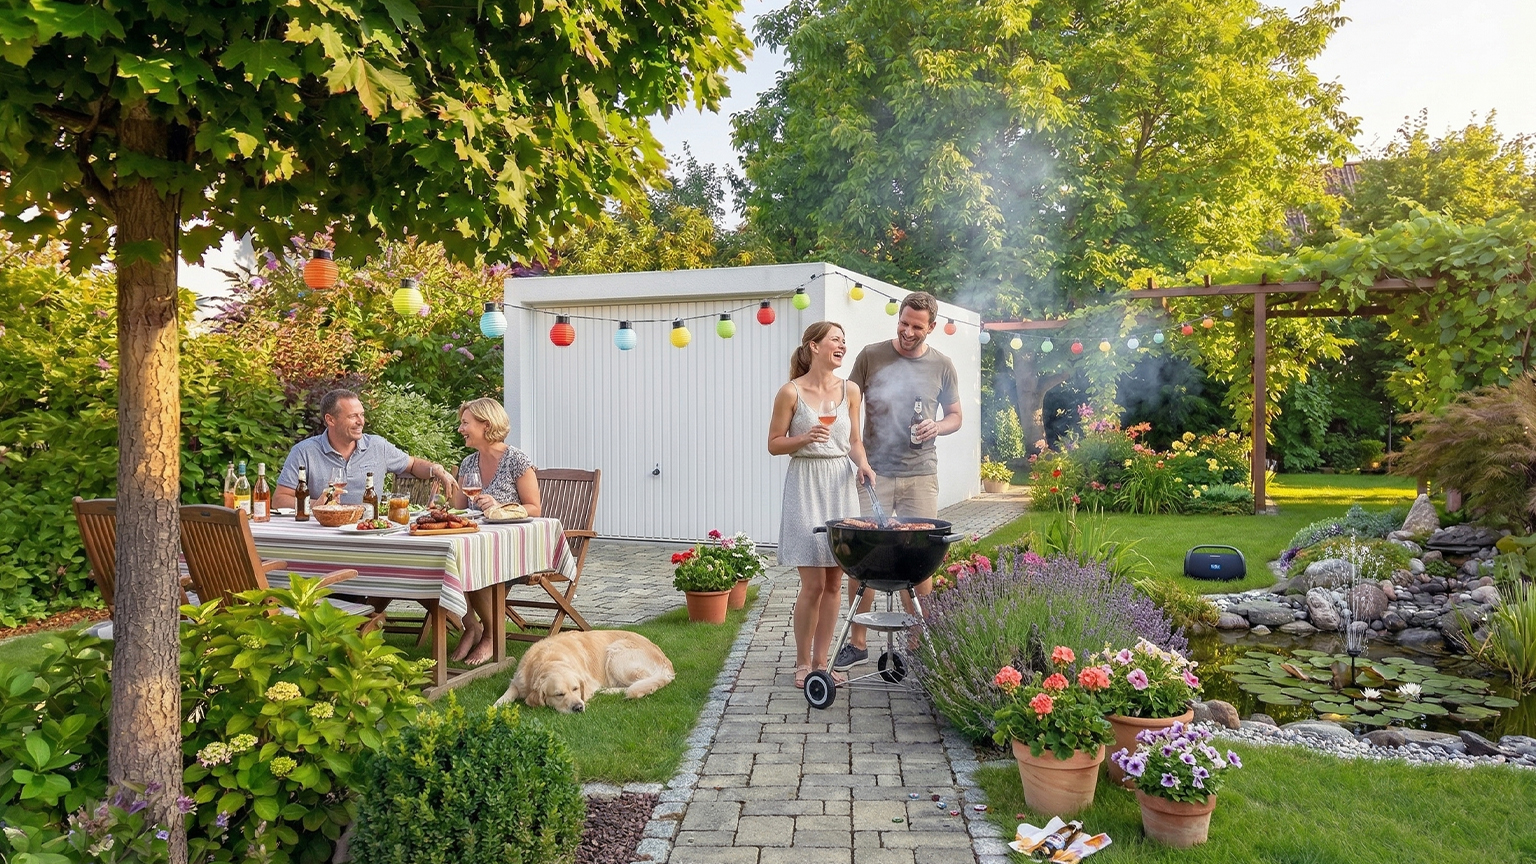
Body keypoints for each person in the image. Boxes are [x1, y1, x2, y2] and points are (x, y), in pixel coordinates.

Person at [835, 291, 962, 671]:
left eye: (916, 327)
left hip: (920, 475)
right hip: (872, 472)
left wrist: (937, 426)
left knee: (919, 561)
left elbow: (955, 415)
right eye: (903, 323)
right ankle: (857, 644)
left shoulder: (942, 365)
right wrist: (856, 454)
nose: (908, 331)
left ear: (932, 328)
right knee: (862, 559)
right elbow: (847, 407)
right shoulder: (871, 356)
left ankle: (918, 645)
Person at [768, 322, 877, 689]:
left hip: (840, 483)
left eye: (845, 340)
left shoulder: (851, 391)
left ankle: (823, 661)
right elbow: (773, 443)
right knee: (812, 584)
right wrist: (803, 437)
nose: (842, 345)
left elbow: (856, 441)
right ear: (814, 346)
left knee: (835, 582)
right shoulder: (790, 392)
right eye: (835, 339)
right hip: (805, 482)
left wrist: (863, 463)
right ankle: (802, 662)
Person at [449, 397, 542, 665]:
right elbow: (458, 510)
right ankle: (471, 626)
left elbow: (534, 508)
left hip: (510, 550)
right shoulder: (468, 463)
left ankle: (491, 635)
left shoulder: (516, 460)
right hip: (475, 542)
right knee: (448, 563)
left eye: (465, 423)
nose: (460, 429)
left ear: (485, 424)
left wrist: (500, 506)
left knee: (471, 567)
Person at [274, 389, 456, 510]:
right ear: (330, 420)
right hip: (322, 534)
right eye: (353, 416)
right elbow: (280, 499)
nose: (361, 421)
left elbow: (413, 464)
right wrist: (316, 504)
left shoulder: (377, 446)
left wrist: (436, 470)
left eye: (361, 414)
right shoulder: (304, 452)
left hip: (369, 530)